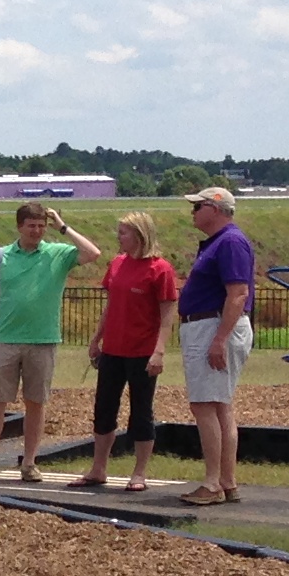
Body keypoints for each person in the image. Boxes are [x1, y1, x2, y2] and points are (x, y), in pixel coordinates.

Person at [0, 202, 103, 483]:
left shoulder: (57, 253)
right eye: (31, 225)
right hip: (6, 339)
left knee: (36, 403)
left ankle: (29, 463)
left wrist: (63, 226)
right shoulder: (0, 257)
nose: (37, 231)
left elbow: (93, 253)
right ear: (19, 226)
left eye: (41, 226)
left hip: (43, 339)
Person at [76, 211, 179, 493]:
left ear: (139, 236)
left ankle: (139, 472)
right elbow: (110, 305)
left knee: (141, 412)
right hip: (113, 349)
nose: (118, 237)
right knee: (104, 408)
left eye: (123, 232)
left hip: (142, 351)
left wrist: (159, 352)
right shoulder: (118, 264)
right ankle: (98, 469)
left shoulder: (160, 269)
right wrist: (97, 338)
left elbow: (168, 312)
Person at [176, 186, 255, 505]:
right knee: (219, 404)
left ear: (216, 208)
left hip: (212, 325)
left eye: (198, 206)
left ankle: (213, 483)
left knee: (205, 404)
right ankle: (226, 480)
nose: (193, 211)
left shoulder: (230, 242)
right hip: (209, 325)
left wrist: (220, 338)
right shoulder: (222, 242)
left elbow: (238, 293)